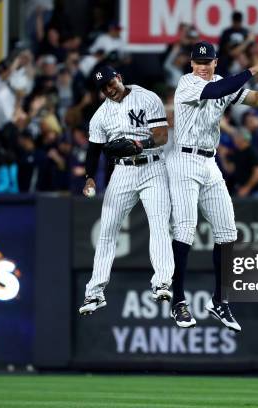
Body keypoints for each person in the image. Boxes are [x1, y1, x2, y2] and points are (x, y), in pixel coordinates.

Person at [168, 41, 258, 331]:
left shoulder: (221, 82)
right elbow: (217, 92)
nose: (202, 67)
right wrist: (254, 68)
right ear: (191, 64)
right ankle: (178, 301)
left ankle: (219, 301)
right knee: (185, 230)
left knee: (228, 233)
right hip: (183, 159)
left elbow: (256, 99)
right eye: (197, 62)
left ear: (215, 62)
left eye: (207, 62)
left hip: (208, 161)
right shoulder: (188, 83)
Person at [78, 66, 174, 315]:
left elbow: (162, 136)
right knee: (107, 230)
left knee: (159, 225)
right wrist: (90, 178)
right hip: (122, 172)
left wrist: (139, 144)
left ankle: (162, 281)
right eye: (104, 88)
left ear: (119, 78)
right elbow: (94, 150)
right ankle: (94, 293)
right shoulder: (100, 116)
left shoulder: (147, 97)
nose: (110, 89)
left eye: (111, 83)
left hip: (153, 166)